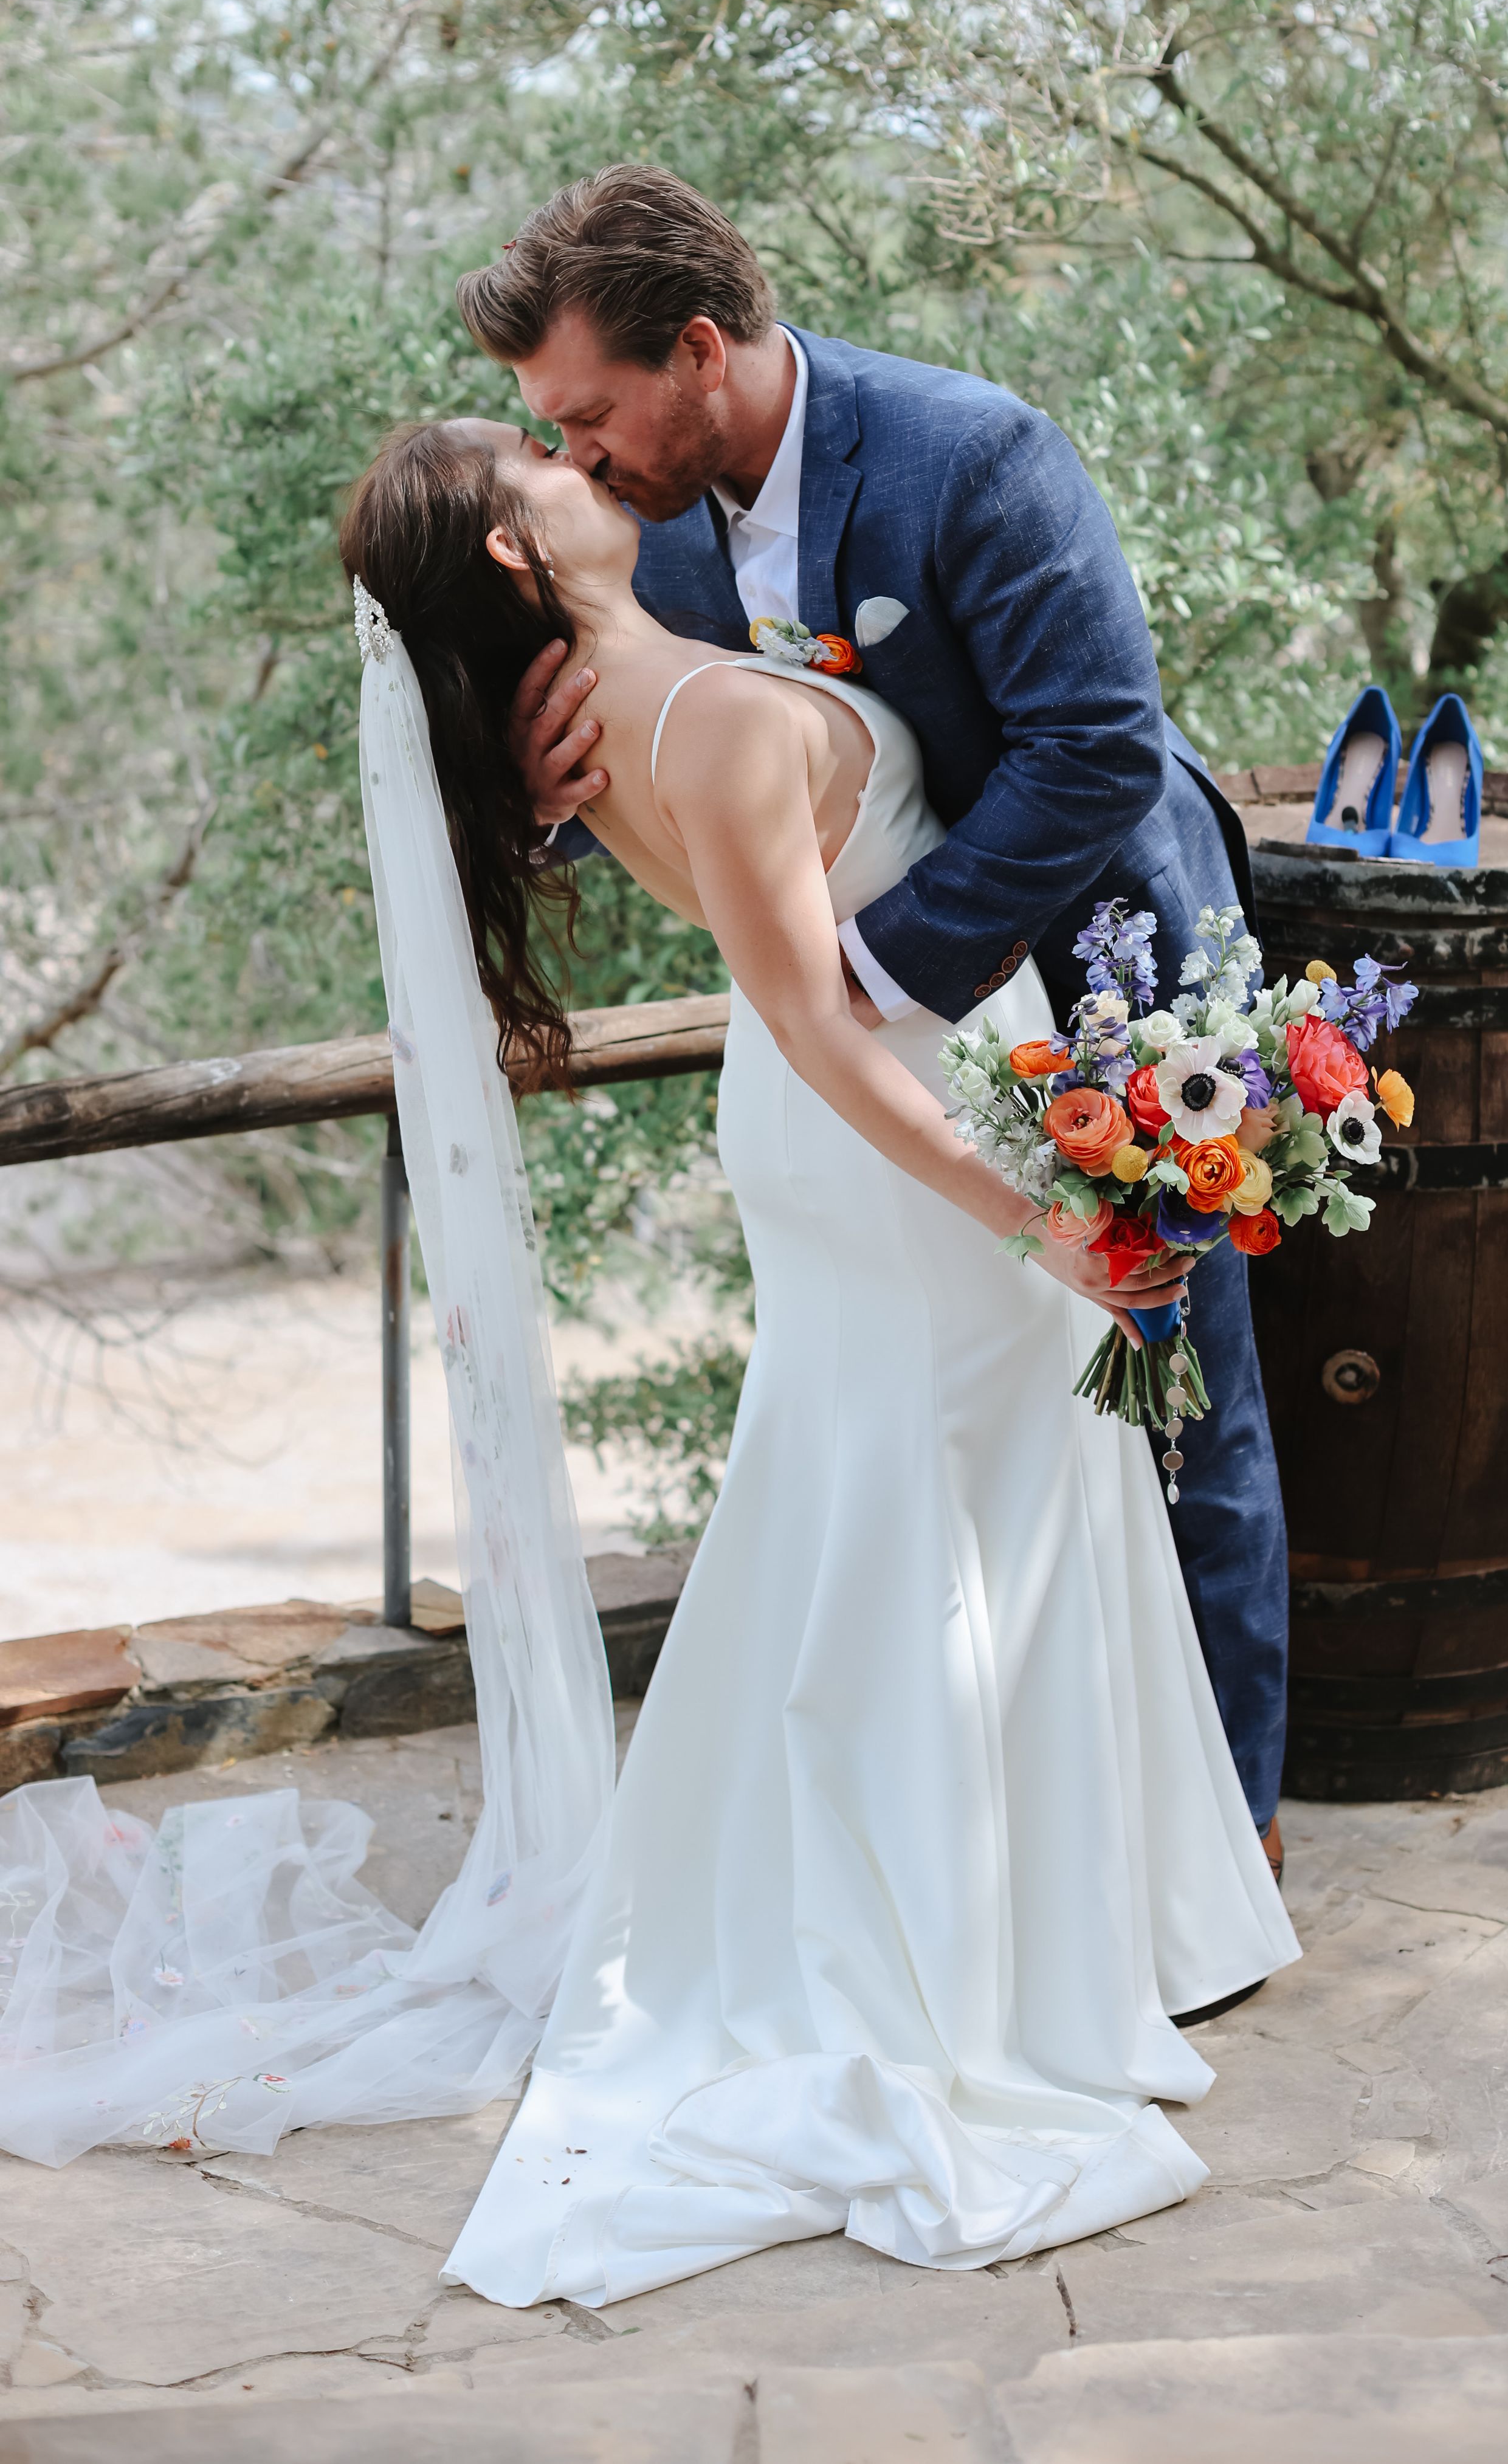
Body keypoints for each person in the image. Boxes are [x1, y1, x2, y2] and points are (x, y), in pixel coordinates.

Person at [332, 411, 1297, 2307]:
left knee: (943, 1516)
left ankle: (1062, 1924)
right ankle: (951, 1960)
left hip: (893, 1135)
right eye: (525, 456)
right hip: (911, 1149)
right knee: (931, 1539)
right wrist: (1051, 1221)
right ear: (522, 557)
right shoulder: (721, 722)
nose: (560, 449)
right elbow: (834, 1027)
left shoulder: (609, 719)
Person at [458, 163, 1291, 1885]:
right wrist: (551, 801)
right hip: (901, 1034)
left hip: (1109, 954)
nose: (575, 455)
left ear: (699, 349)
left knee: (1170, 1375)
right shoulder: (644, 520)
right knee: (949, 1409)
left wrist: (875, 972)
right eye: (552, 427)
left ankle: (1228, 1830)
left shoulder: (971, 454)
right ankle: (1000, 1834)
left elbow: (1097, 749)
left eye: (588, 412)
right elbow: (670, 724)